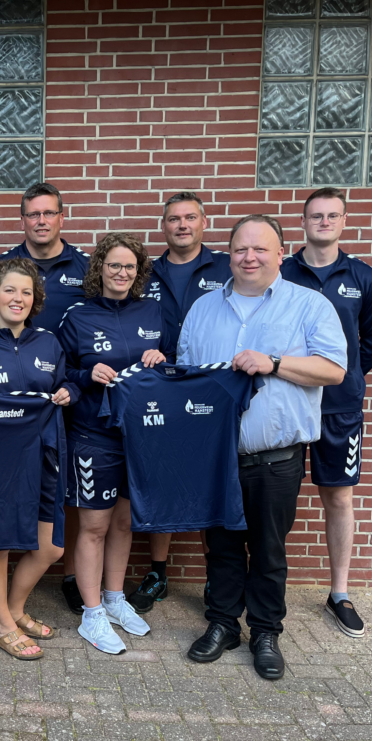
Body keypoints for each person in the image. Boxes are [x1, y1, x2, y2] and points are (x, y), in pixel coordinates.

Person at [180, 215, 347, 681]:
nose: (249, 257)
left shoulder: (309, 305)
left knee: (269, 551)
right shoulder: (203, 309)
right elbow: (187, 375)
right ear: (229, 254)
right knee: (221, 547)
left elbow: (333, 370)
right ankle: (223, 624)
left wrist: (272, 362)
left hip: (275, 459)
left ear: (280, 254)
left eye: (260, 249)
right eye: (240, 249)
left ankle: (266, 632)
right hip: (217, 458)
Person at [0, 257, 78, 660]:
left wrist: (70, 391)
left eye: (26, 291)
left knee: (51, 547)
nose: (18, 298)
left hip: (44, 455)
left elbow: (66, 381)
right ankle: (4, 626)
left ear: (35, 299)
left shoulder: (49, 343)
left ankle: (15, 608)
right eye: (9, 290)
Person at [0, 182, 90, 617]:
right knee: (1, 526)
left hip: (51, 429)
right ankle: (2, 610)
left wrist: (73, 388)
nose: (41, 221)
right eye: (33, 214)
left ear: (62, 216)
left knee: (52, 532)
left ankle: (43, 592)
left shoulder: (83, 268)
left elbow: (71, 370)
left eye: (49, 213)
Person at [281, 188, 372, 638]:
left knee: (339, 497)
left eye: (332, 216)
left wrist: (343, 375)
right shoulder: (282, 272)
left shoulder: (362, 277)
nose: (323, 222)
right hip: (286, 400)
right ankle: (264, 587)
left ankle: (339, 593)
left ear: (344, 221)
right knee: (274, 497)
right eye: (316, 216)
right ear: (303, 222)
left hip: (339, 408)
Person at [58, 232, 168, 655]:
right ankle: (91, 614)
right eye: (114, 265)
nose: (122, 273)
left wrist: (162, 360)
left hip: (140, 435)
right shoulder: (77, 316)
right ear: (99, 269)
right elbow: (59, 373)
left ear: (139, 272)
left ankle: (115, 598)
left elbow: (175, 364)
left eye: (130, 267)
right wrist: (86, 375)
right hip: (93, 435)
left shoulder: (153, 311)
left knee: (124, 524)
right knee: (94, 526)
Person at [130, 191, 233, 614]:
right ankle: (158, 572)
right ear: (164, 226)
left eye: (190, 217)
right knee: (162, 477)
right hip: (160, 391)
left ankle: (214, 577)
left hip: (210, 390)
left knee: (210, 479)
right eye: (174, 219)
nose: (182, 225)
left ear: (204, 222)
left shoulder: (225, 267)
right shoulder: (146, 273)